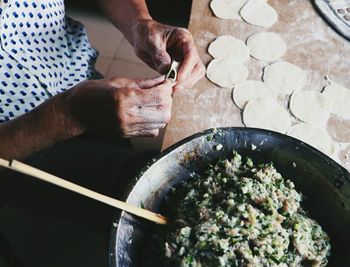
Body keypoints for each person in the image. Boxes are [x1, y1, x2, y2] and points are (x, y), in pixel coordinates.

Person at [0, 0, 205, 242]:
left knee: (133, 166)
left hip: (77, 77)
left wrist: (140, 23)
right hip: (19, 152)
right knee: (142, 203)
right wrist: (67, 116)